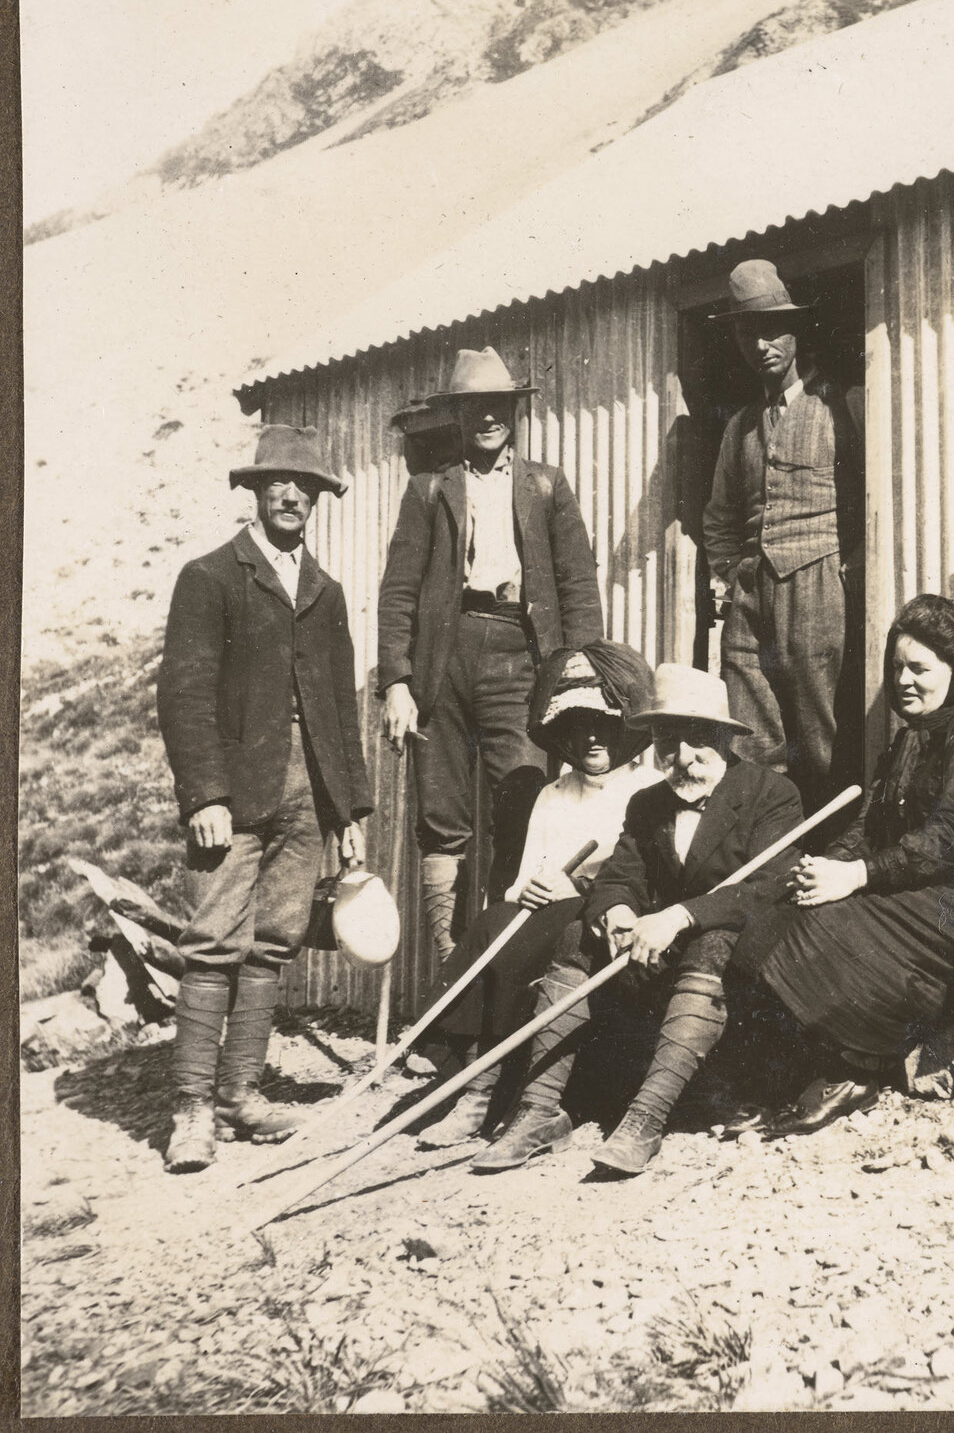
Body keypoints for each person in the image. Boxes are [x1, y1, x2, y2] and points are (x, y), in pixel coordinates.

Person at [478, 664, 803, 1176]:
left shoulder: (770, 794)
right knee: (572, 934)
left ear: (724, 738)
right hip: (658, 951)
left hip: (738, 959)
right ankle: (537, 1113)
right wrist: (618, 911)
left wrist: (678, 916)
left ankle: (645, 1122)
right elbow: (618, 875)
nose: (683, 758)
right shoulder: (648, 802)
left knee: (712, 940)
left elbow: (767, 889)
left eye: (697, 741)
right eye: (667, 743)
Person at [157, 425, 372, 1172]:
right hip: (233, 794)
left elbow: (342, 711)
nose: (291, 494)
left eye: (305, 485)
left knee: (273, 942)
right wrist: (204, 795)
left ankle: (239, 1095)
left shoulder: (325, 591)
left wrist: (349, 813)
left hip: (307, 795)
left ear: (317, 499)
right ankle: (190, 1109)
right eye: (278, 481)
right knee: (212, 941)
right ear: (254, 490)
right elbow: (182, 696)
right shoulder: (211, 576)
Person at [729, 594, 954, 1138]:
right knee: (779, 913)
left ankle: (855, 1071)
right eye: (896, 667)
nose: (904, 680)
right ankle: (790, 1073)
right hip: (913, 890)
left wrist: (856, 877)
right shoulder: (908, 739)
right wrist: (824, 869)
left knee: (821, 930)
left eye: (920, 668)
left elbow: (951, 837)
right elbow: (866, 827)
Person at [377, 347, 604, 964]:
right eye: (475, 407)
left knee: (524, 799)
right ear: (458, 415)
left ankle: (503, 961)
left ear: (514, 410)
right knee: (442, 812)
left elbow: (578, 583)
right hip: (445, 656)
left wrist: (582, 675)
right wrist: (397, 679)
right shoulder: (428, 490)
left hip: (521, 656)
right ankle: (451, 971)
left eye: (497, 406)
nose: (488, 419)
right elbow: (398, 589)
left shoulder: (546, 485)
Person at [414, 640, 661, 1148]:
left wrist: (578, 885)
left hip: (604, 915)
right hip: (546, 907)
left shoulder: (648, 790)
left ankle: (485, 1091)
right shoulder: (554, 794)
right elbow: (525, 875)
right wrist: (528, 889)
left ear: (624, 727)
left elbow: (646, 878)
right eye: (577, 726)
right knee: (493, 922)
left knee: (524, 931)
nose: (592, 738)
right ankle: (470, 1081)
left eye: (603, 724)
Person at [702, 259, 863, 813]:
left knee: (820, 733)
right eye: (749, 333)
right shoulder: (740, 425)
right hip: (749, 592)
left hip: (818, 582)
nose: (761, 345)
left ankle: (829, 850)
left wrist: (851, 566)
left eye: (772, 330)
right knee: (748, 732)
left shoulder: (841, 405)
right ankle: (766, 853)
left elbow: (868, 493)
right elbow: (719, 518)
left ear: (797, 332)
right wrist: (728, 575)